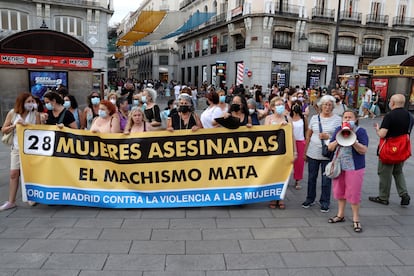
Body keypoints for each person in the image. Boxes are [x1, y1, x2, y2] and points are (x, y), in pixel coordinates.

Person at [327, 110, 368, 233]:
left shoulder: (361, 131)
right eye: (345, 117)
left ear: (355, 119)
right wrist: (338, 139)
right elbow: (330, 147)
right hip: (340, 165)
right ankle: (340, 214)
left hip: (355, 167)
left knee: (354, 193)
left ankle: (356, 218)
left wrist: (353, 141)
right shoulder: (338, 129)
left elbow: (364, 150)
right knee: (339, 191)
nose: (347, 119)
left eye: (350, 117)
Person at [369, 93, 412, 207]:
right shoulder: (409, 115)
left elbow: (383, 134)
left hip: (389, 148)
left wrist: (377, 130)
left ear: (392, 103)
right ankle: (404, 194)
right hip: (402, 147)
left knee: (385, 173)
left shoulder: (390, 115)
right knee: (398, 172)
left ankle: (383, 197)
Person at [0, 93, 41, 211]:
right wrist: (14, 126)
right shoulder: (13, 113)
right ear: (22, 102)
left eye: (32, 101)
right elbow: (4, 129)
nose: (31, 104)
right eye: (28, 101)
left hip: (31, 149)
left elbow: (39, 129)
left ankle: (31, 196)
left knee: (29, 173)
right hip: (17, 148)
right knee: (14, 174)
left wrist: (27, 125)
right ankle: (11, 201)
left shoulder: (35, 114)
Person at [302, 95, 342, 212]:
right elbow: (308, 135)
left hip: (328, 153)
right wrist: (305, 151)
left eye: (330, 105)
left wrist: (328, 136)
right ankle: (310, 198)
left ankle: (324, 201)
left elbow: (340, 136)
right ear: (321, 106)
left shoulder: (337, 119)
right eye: (325, 104)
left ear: (333, 107)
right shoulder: (314, 118)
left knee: (326, 179)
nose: (327, 107)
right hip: (313, 152)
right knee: (311, 177)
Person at [264, 96, 296, 209]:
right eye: (277, 105)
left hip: (285, 151)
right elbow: (265, 134)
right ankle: (273, 197)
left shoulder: (288, 118)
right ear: (272, 107)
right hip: (272, 152)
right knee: (273, 174)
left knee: (284, 175)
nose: (280, 106)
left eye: (281, 104)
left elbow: (292, 136)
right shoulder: (268, 118)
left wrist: (294, 152)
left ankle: (281, 197)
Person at [290, 100, 308, 190]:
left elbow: (306, 130)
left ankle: (297, 180)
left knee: (299, 163)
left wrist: (307, 142)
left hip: (300, 141)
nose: (296, 107)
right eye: (295, 105)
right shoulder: (288, 118)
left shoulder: (303, 118)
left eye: (298, 105)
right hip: (289, 142)